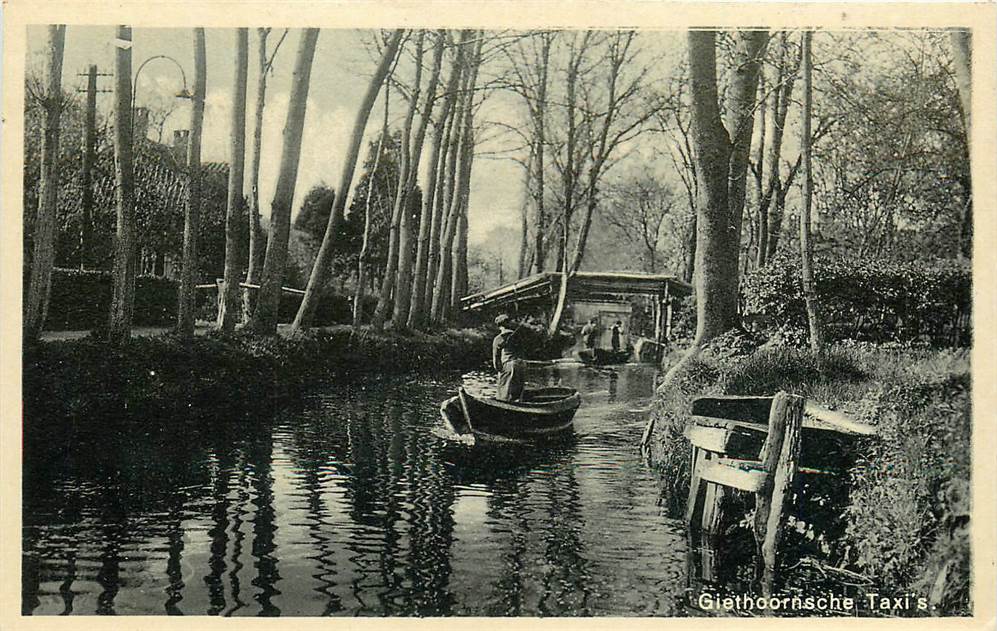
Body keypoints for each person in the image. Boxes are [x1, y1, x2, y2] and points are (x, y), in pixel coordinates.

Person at [492, 314, 525, 401]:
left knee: (503, 395)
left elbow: (496, 359)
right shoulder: (517, 336)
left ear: (499, 326)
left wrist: (499, 370)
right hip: (521, 364)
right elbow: (522, 351)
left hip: (509, 365)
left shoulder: (498, 339)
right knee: (517, 395)